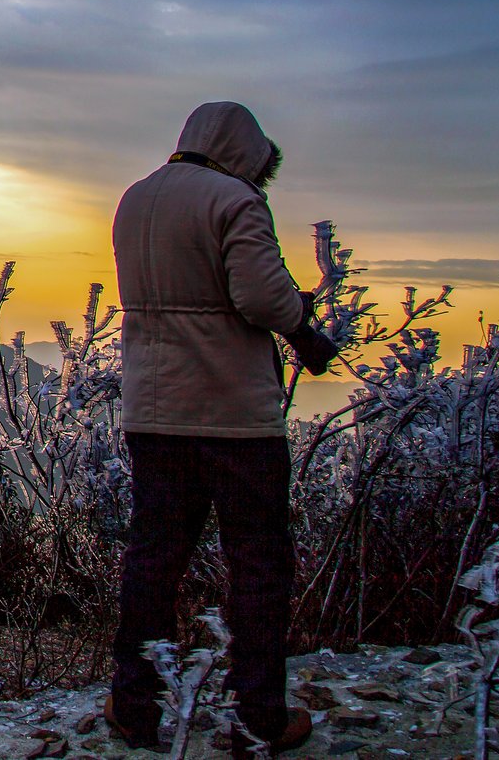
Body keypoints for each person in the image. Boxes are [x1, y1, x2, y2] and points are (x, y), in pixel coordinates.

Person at [104, 102, 338, 755]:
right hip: (234, 417)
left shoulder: (136, 197)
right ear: (244, 153)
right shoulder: (234, 199)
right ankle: (257, 715)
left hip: (153, 413)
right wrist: (301, 321)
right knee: (258, 564)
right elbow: (261, 297)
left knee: (152, 560)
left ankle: (134, 703)